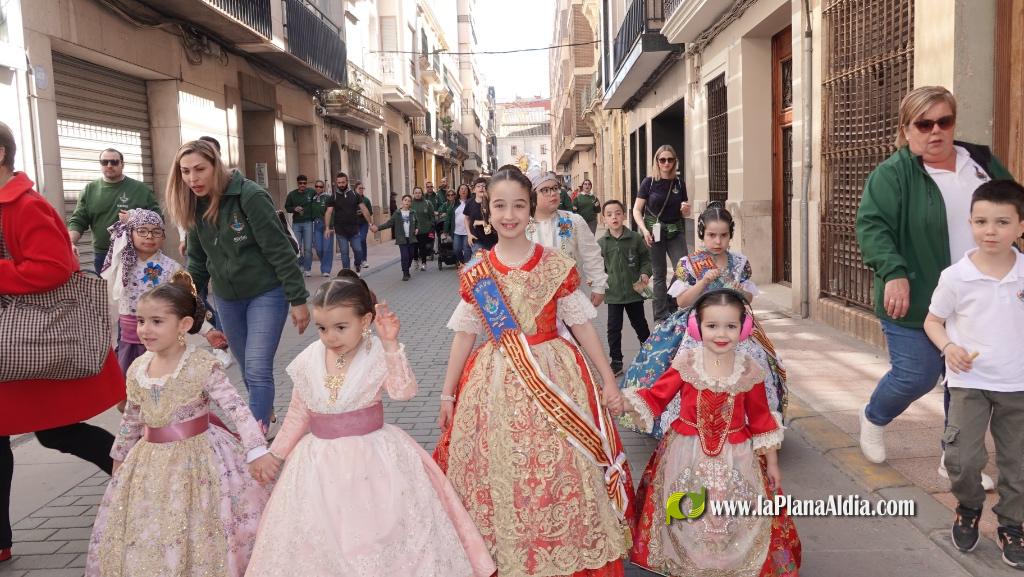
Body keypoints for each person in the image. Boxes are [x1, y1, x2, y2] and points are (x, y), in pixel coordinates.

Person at [434, 165, 633, 576]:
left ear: (531, 208)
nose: (509, 215)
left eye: (518, 205)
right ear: (487, 211)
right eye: (500, 205)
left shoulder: (555, 265)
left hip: (556, 376)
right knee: (501, 473)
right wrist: (448, 394)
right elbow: (464, 335)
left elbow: (581, 324)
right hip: (492, 385)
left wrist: (608, 378)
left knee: (559, 472)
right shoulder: (479, 272)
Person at [245, 276, 496, 577]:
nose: (330, 337)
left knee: (379, 536)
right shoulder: (308, 359)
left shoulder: (376, 351)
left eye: (341, 327)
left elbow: (404, 393)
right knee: (320, 538)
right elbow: (299, 413)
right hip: (317, 465)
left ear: (365, 320)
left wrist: (391, 345)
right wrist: (276, 454)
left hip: (373, 461)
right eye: (322, 328)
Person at [856, 86, 1012, 485]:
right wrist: (892, 273)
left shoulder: (979, 160)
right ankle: (873, 416)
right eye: (924, 124)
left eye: (944, 121)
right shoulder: (893, 175)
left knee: (963, 378)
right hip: (918, 293)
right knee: (918, 374)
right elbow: (873, 227)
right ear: (906, 130)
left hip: (975, 294)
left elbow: (1013, 206)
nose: (935, 131)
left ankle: (954, 457)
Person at [86, 272, 274, 577]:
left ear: (184, 325)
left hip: (200, 460)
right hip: (149, 463)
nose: (145, 329)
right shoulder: (137, 368)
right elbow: (132, 418)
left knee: (199, 521)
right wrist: (119, 459)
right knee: (153, 526)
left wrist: (255, 449)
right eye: (142, 320)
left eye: (157, 321)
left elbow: (237, 409)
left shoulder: (201, 365)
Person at [0, 121, 125, 565]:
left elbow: (53, 268)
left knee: (56, 433)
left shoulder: (24, 205)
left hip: (29, 342)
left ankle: (134, 473)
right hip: (13, 342)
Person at [619, 289, 801, 577]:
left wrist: (774, 464)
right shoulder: (686, 363)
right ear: (696, 327)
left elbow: (762, 419)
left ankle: (726, 563)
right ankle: (691, 561)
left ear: (744, 329)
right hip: (685, 454)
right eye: (712, 325)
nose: (721, 334)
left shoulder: (749, 370)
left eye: (730, 326)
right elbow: (657, 397)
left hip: (737, 456)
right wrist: (627, 401)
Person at [166, 139, 311, 430]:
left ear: (215, 165)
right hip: (228, 298)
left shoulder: (249, 196)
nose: (192, 179)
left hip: (267, 293)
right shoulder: (193, 203)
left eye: (199, 169)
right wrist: (185, 302)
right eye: (185, 172)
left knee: (257, 368)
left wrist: (297, 299)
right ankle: (263, 413)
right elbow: (196, 260)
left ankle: (253, 438)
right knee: (246, 368)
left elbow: (279, 250)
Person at [922, 180, 1024, 567]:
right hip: (969, 382)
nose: (990, 230)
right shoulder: (956, 277)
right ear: (970, 223)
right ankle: (968, 507)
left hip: (1018, 383)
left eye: (1001, 222)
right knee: (962, 458)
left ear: (1020, 226)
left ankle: (1013, 525)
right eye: (981, 221)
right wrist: (949, 348)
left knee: (1018, 461)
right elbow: (934, 322)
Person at [622, 202, 788, 438]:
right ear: (702, 234)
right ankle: (691, 424)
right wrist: (703, 283)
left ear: (730, 235)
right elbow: (681, 302)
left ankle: (751, 427)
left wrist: (739, 289)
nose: (717, 241)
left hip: (733, 327)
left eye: (723, 235)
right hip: (697, 326)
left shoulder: (740, 263)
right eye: (711, 235)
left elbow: (749, 297)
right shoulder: (688, 264)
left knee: (756, 363)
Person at [101, 209, 227, 374]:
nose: (149, 236)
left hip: (166, 343)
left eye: (156, 231)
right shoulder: (121, 266)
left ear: (164, 236)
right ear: (130, 234)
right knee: (131, 390)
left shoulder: (172, 268)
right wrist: (104, 337)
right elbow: (109, 303)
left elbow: (188, 303)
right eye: (142, 230)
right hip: (129, 342)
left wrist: (207, 331)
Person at [67, 148, 161, 273]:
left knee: (139, 291)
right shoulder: (90, 189)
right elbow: (78, 220)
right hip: (103, 254)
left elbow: (158, 219)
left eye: (114, 162)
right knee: (107, 292)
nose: (109, 166)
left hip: (137, 252)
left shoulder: (140, 189)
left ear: (122, 164)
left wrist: (134, 217)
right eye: (104, 162)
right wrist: (70, 243)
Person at [527, 170, 607, 307]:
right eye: (545, 190)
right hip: (534, 303)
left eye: (555, 188)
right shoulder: (523, 226)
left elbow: (591, 253)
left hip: (568, 299)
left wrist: (598, 285)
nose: (552, 193)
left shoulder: (570, 220)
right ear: (533, 196)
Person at [632, 145, 692, 322]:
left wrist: (686, 210)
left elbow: (684, 212)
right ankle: (660, 316)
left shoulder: (680, 183)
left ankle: (670, 303)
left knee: (683, 269)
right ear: (657, 162)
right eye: (662, 160)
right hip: (654, 232)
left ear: (675, 162)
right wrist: (644, 230)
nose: (666, 163)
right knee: (659, 275)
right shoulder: (648, 182)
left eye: (670, 160)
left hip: (675, 230)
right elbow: (637, 210)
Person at [598, 200, 651, 376]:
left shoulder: (635, 238)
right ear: (604, 219)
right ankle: (616, 361)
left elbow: (645, 259)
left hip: (634, 292)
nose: (614, 217)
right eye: (609, 214)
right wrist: (597, 280)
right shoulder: (602, 243)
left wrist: (645, 273)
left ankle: (650, 354)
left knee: (640, 325)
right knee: (613, 329)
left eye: (618, 213)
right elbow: (597, 266)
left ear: (624, 216)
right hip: (613, 294)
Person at [324, 172, 375, 273]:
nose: (341, 184)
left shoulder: (355, 195)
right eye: (339, 183)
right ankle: (347, 273)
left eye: (343, 182)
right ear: (336, 183)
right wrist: (326, 228)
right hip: (340, 230)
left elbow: (364, 209)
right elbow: (328, 212)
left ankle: (357, 265)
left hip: (354, 229)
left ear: (347, 182)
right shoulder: (333, 197)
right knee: (344, 252)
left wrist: (370, 224)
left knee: (358, 250)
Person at [376, 194, 421, 281]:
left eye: (409, 201)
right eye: (405, 200)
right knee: (405, 256)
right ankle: (405, 273)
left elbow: (418, 223)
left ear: (410, 203)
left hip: (411, 238)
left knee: (411, 255)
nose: (407, 202)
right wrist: (378, 228)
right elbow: (389, 223)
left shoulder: (413, 212)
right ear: (402, 201)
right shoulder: (397, 213)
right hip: (402, 239)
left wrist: (417, 229)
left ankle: (407, 268)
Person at [285, 174, 316, 277]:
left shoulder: (311, 192)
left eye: (304, 183)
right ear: (297, 184)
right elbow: (287, 207)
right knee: (297, 247)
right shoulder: (292, 195)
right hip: (296, 224)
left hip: (308, 223)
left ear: (306, 183)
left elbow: (319, 197)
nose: (302, 185)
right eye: (300, 183)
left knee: (307, 248)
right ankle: (300, 265)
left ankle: (307, 269)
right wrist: (294, 209)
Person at [464, 176, 497, 253]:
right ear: (474, 190)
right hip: (477, 239)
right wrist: (469, 234)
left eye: (484, 186)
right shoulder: (469, 202)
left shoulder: (492, 202)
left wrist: (483, 222)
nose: (481, 188)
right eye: (478, 186)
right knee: (479, 261)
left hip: (493, 239)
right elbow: (466, 219)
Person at [310, 179, 334, 277]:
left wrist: (332, 227)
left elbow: (333, 212)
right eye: (316, 186)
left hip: (327, 225)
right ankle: (324, 263)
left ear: (323, 188)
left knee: (327, 248)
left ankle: (326, 269)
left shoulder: (328, 197)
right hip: (316, 225)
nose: (318, 188)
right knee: (319, 248)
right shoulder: (313, 198)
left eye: (320, 186)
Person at [410, 185, 435, 271]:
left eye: (419, 193)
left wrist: (431, 225)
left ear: (422, 193)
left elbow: (432, 215)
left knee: (422, 247)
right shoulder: (410, 203)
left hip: (425, 229)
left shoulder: (427, 203)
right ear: (413, 194)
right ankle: (415, 261)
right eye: (416, 193)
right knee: (414, 247)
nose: (417, 194)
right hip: (413, 230)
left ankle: (424, 263)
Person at [450, 183, 472, 263]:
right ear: (458, 192)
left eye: (465, 189)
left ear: (468, 192)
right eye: (461, 189)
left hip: (467, 232)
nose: (463, 190)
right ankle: (462, 263)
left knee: (467, 250)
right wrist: (445, 231)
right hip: (457, 232)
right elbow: (449, 217)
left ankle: (466, 268)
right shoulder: (454, 203)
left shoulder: (470, 202)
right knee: (456, 250)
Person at [354, 181, 373, 269]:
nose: (361, 190)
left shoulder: (366, 200)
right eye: (359, 188)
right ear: (355, 189)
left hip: (363, 223)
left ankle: (364, 260)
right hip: (354, 224)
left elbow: (370, 213)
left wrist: (370, 223)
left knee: (362, 239)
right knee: (356, 242)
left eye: (362, 188)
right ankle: (357, 260)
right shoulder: (352, 199)